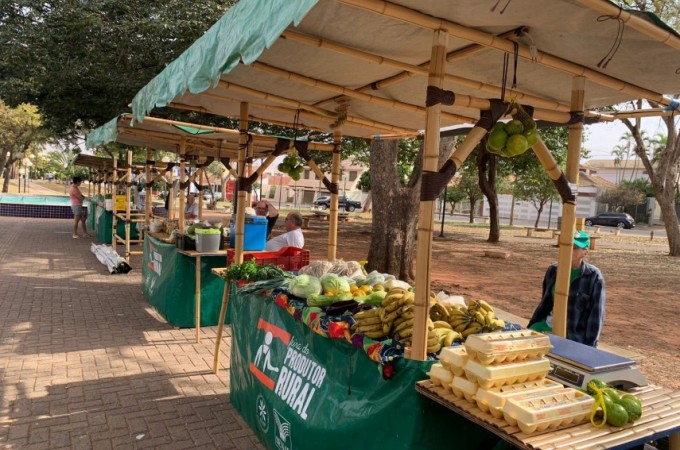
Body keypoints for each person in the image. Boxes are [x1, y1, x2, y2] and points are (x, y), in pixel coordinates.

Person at [528, 230, 605, 347]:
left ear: (585, 252)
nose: (568, 250)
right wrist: (534, 324)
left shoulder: (593, 276)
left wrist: (590, 347)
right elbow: (545, 303)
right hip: (545, 327)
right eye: (566, 246)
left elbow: (596, 315)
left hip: (573, 336)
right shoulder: (553, 270)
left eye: (574, 248)